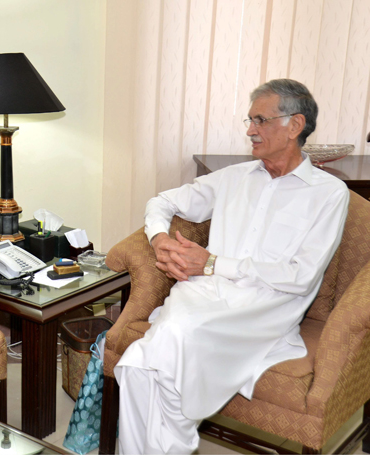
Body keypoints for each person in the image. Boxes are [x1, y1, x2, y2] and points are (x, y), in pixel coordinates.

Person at [115, 79, 349, 454]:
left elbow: (301, 277)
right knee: (138, 368)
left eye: (260, 120)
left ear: (295, 125)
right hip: (202, 292)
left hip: (264, 307)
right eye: (249, 119)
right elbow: (161, 202)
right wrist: (159, 238)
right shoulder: (234, 177)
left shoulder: (328, 194)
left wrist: (212, 263)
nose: (249, 130)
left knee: (163, 353)